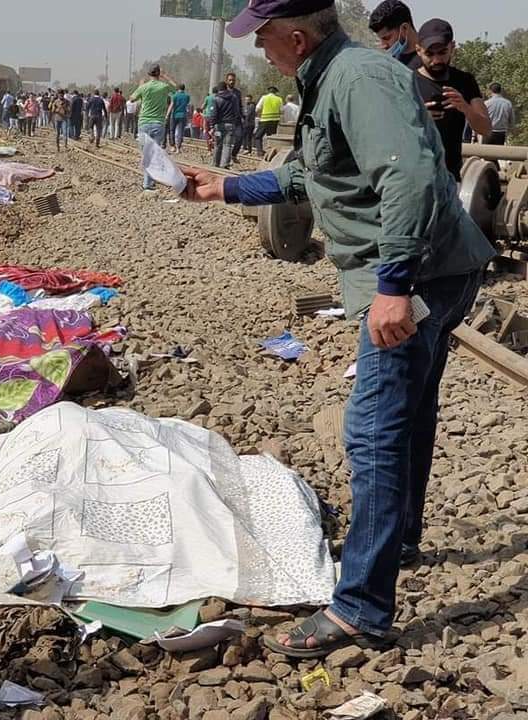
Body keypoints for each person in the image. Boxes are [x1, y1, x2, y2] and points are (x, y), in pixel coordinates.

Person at [182, 0, 495, 660]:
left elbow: (410, 175)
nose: (259, 49)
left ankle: (361, 610)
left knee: (373, 429)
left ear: (296, 38)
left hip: (419, 275)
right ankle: (397, 539)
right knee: (409, 411)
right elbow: (312, 172)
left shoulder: (357, 79)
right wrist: (223, 188)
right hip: (437, 269)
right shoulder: (331, 77)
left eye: (263, 38)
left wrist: (393, 286)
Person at [413, 19, 491, 181]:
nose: (436, 60)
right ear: (418, 50)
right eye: (429, 54)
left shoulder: (465, 81)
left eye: (442, 52)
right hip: (414, 176)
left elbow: (485, 129)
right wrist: (418, 116)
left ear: (452, 47)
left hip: (451, 177)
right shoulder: (406, 81)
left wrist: (466, 108)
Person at [130, 64, 177, 189]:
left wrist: (140, 86)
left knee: (146, 154)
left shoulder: (144, 87)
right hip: (158, 123)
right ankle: (149, 181)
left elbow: (132, 99)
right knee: (154, 154)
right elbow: (176, 89)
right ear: (158, 74)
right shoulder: (164, 87)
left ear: (149, 74)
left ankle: (148, 182)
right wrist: (166, 76)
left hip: (143, 123)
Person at [369, 0, 421, 69]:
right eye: (380, 39)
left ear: (405, 28)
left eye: (387, 38)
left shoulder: (431, 57)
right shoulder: (391, 66)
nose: (383, 45)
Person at [211, 82, 240, 168]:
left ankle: (215, 164)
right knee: (227, 145)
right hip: (230, 125)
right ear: (226, 88)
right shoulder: (234, 97)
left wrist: (212, 126)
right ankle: (225, 164)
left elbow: (214, 114)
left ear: (219, 89)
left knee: (217, 145)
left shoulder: (216, 99)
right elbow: (236, 111)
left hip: (218, 126)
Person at [254, 86, 283, 155]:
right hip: (275, 121)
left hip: (265, 120)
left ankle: (260, 152)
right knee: (271, 137)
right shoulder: (279, 99)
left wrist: (259, 114)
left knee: (258, 136)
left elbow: (257, 108)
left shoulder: (264, 97)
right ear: (275, 92)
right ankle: (271, 152)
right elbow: (282, 110)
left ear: (268, 91)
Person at [223, 73, 246, 159]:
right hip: (226, 119)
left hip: (237, 119)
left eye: (233, 80)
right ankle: (224, 158)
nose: (232, 82)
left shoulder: (237, 93)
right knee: (226, 140)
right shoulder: (223, 92)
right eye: (230, 80)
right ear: (226, 81)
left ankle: (233, 154)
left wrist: (243, 116)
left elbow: (240, 105)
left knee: (239, 138)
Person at [168, 83, 191, 153]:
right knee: (181, 131)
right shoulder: (187, 96)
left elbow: (171, 105)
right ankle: (178, 148)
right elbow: (187, 104)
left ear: (178, 88)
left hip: (174, 115)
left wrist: (167, 114)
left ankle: (173, 146)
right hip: (183, 115)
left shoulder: (174, 96)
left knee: (172, 130)